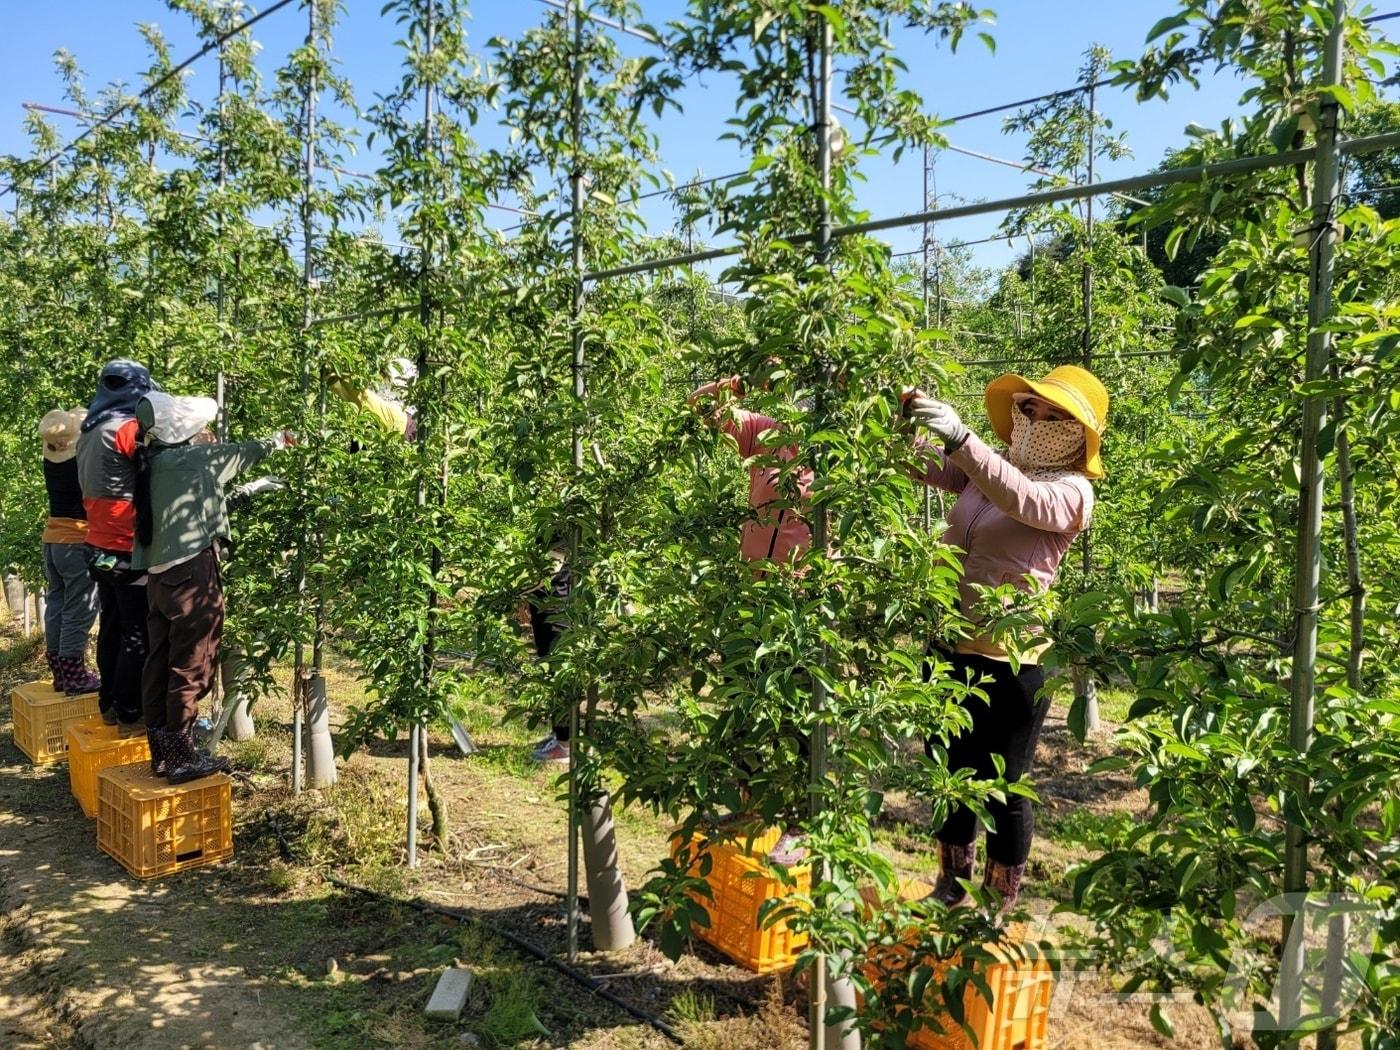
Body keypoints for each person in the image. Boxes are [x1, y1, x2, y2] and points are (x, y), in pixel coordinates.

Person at [905, 364, 1108, 912]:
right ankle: (950, 886)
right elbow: (923, 467)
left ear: (1080, 435)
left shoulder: (1072, 492)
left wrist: (962, 438)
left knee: (1002, 783)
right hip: (949, 646)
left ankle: (998, 901)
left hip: (1011, 661)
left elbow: (1021, 499)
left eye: (1056, 414)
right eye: (1030, 407)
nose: (1038, 418)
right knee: (950, 770)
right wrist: (898, 421)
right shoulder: (986, 471)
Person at [132, 391, 292, 783]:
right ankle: (183, 755)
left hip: (160, 580)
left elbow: (202, 507)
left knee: (160, 660)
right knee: (192, 665)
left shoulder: (155, 463)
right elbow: (239, 454)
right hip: (191, 576)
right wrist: (277, 440)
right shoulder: (188, 459)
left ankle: (164, 752)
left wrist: (249, 491)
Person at [687, 373, 814, 864]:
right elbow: (701, 407)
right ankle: (747, 802)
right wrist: (743, 379)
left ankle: (803, 821)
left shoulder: (842, 448)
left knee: (804, 713)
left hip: (807, 601)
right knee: (744, 698)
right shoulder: (765, 430)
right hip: (753, 594)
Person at [76, 360, 159, 731]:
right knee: (137, 631)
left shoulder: (89, 429)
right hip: (125, 546)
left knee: (110, 625)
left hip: (96, 545)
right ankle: (129, 709)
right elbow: (155, 469)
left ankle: (108, 700)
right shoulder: (126, 429)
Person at [38, 408, 101, 694]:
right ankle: (74, 675)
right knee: (80, 607)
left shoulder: (50, 460)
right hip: (76, 539)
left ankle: (61, 673)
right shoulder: (79, 461)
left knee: (57, 603)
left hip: (52, 539)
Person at [516, 548, 574, 764]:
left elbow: (552, 567)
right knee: (552, 675)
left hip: (557, 608)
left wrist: (520, 592)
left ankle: (565, 745)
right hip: (549, 605)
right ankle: (560, 737)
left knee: (559, 675)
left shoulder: (560, 521)